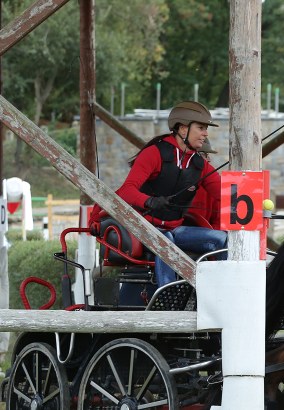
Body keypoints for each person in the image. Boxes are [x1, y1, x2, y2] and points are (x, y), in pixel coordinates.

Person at [90, 101, 227, 287]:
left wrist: (254, 200)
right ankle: (166, 295)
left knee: (223, 240)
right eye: (201, 128)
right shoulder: (153, 153)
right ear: (183, 129)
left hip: (175, 230)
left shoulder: (200, 165)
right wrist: (149, 201)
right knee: (165, 239)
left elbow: (225, 194)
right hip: (141, 230)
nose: (206, 133)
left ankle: (221, 292)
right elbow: (128, 190)